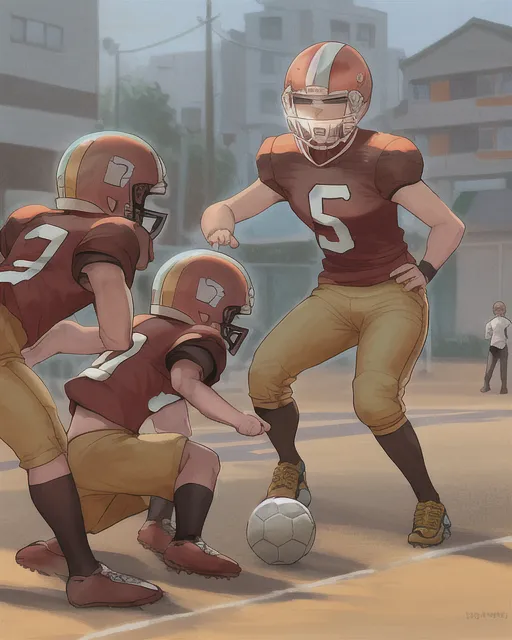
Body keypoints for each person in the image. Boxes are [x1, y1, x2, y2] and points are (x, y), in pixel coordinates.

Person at [201, 42, 466, 548]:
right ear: (289, 103)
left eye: (330, 104)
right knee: (265, 375)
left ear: (359, 105)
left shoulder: (384, 157)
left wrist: (426, 269)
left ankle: (429, 500)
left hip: (390, 293)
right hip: (336, 292)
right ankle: (290, 465)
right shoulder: (283, 158)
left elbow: (446, 223)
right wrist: (220, 223)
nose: (317, 116)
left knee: (373, 399)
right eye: (306, 103)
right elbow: (227, 207)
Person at [16, 250, 269, 579]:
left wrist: (25, 358)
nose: (228, 322)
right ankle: (186, 543)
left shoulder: (139, 327)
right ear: (207, 301)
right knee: (201, 460)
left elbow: (68, 334)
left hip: (74, 452)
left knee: (165, 461)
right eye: (229, 312)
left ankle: (60, 547)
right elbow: (185, 382)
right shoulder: (195, 336)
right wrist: (238, 418)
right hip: (104, 448)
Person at [0, 131, 170, 607]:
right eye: (141, 194)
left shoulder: (28, 219)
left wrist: (43, 339)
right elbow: (117, 337)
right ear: (114, 185)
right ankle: (83, 574)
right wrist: (72, 339)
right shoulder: (110, 232)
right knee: (48, 453)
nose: (143, 208)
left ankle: (75, 565)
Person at [481, 301, 510, 394]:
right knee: (489, 368)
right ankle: (486, 385)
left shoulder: (507, 322)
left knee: (503, 368)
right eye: (497, 309)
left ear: (504, 310)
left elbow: (509, 334)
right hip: (493, 347)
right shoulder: (491, 323)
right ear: (494, 311)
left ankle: (504, 387)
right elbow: (487, 335)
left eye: (501, 309)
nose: (499, 311)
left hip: (503, 347)